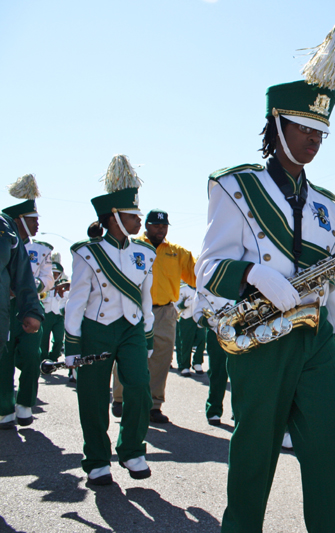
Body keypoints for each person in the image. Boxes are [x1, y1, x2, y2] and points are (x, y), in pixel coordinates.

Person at [194, 24, 335, 532]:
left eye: (320, 132)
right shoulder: (235, 186)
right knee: (253, 458)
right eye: (303, 127)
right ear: (278, 122)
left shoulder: (330, 207)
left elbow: (330, 288)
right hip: (260, 338)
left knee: (333, 458)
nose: (313, 139)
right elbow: (208, 270)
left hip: (315, 345)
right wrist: (254, 275)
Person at [64, 154, 156, 485]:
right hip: (95, 329)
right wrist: (72, 343)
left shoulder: (145, 254)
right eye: (134, 215)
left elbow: (145, 297)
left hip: (131, 330)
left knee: (139, 387)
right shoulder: (86, 253)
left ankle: (132, 450)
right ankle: (97, 459)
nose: (139, 221)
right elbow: (76, 300)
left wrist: (147, 334)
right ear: (115, 216)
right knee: (92, 395)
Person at [111, 209, 196, 423]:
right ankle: (120, 399)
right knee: (127, 354)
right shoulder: (132, 247)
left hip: (165, 311)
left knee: (161, 358)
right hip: (134, 309)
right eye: (156, 225)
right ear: (146, 226)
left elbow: (197, 277)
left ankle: (153, 405)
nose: (161, 229)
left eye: (164, 226)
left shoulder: (177, 253)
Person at [0, 173, 52, 428]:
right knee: (4, 358)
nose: (37, 225)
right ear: (19, 220)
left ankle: (25, 402)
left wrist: (32, 287)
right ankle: (5, 408)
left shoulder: (41, 249)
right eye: (32, 220)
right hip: (6, 306)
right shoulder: (4, 237)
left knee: (33, 354)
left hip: (30, 305)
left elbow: (48, 278)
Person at [192, 289, 233, 425]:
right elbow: (197, 312)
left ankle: (238, 410)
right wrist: (209, 321)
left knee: (241, 374)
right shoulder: (209, 276)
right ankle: (214, 409)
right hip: (217, 330)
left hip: (243, 329)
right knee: (218, 372)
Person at [40, 255, 67, 362]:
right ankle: (43, 360)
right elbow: (42, 299)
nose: (55, 276)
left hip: (58, 317)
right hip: (46, 315)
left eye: (57, 274)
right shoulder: (45, 285)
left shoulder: (64, 286)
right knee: (43, 339)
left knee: (59, 340)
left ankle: (53, 357)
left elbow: (65, 301)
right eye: (53, 274)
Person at [175, 282, 205, 376]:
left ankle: (197, 362)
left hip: (200, 317)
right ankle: (184, 366)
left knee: (202, 339)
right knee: (185, 343)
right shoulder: (183, 289)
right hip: (186, 318)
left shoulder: (202, 289)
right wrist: (184, 305)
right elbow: (176, 306)